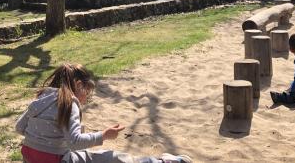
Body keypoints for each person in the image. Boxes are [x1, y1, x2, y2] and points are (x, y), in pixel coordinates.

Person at [15, 63, 192, 163]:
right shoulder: (69, 103)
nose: (85, 99)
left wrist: (45, 138)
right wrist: (104, 135)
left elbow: (20, 128)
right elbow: (75, 142)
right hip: (56, 160)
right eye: (86, 93)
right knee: (112, 158)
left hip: (29, 158)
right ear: (78, 85)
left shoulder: (40, 99)